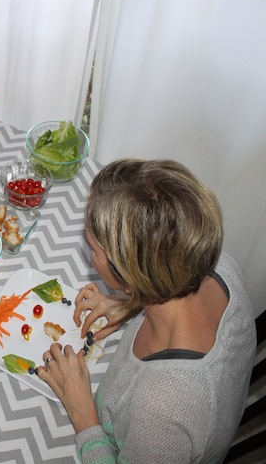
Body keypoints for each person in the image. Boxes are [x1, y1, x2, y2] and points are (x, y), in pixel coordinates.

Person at [35, 159, 256, 462]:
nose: (89, 258)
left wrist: (83, 412)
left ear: (127, 272)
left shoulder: (163, 405)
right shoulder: (220, 267)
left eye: (94, 250)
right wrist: (132, 302)